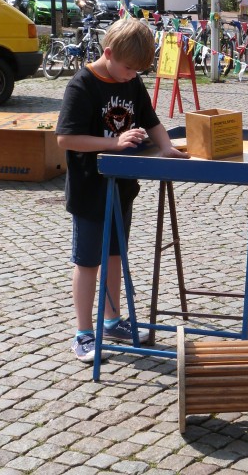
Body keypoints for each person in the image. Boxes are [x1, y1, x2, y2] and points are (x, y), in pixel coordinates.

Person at [56, 18, 190, 362]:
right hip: (90, 191)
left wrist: (166, 147)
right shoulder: (82, 84)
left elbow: (150, 119)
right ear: (109, 53)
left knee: (115, 256)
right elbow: (66, 138)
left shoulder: (132, 81)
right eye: (128, 68)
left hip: (122, 189)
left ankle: (112, 322)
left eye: (137, 71)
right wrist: (113, 143)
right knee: (88, 262)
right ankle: (83, 333)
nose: (132, 76)